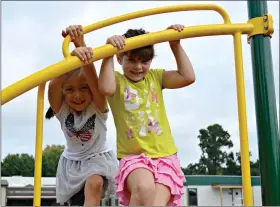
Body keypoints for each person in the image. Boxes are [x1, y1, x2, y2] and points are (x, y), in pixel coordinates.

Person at [98, 24, 196, 206]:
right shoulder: (117, 81)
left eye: (144, 61)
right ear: (120, 58)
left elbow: (188, 77)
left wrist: (175, 44)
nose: (138, 67)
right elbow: (105, 88)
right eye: (132, 60)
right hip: (134, 156)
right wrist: (108, 53)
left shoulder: (155, 78)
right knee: (144, 189)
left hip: (165, 156)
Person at [45, 25, 118, 206]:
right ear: (64, 93)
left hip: (97, 159)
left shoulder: (98, 107)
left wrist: (82, 45)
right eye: (70, 90)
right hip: (72, 164)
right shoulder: (62, 109)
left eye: (84, 89)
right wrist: (73, 55)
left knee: (95, 182)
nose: (77, 95)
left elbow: (93, 79)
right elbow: (53, 86)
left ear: (91, 91)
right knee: (76, 202)